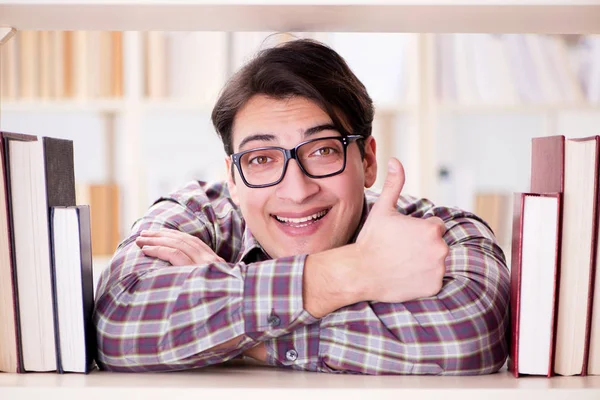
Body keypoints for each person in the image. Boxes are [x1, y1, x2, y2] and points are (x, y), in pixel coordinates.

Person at [94, 38, 510, 375]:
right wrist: (357, 270)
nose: (296, 190)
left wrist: (236, 327)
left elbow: (471, 333)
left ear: (367, 161)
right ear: (233, 178)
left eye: (323, 150)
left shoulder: (438, 230)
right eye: (260, 159)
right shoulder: (196, 213)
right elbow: (119, 322)